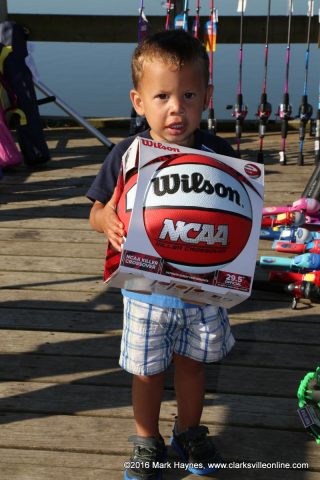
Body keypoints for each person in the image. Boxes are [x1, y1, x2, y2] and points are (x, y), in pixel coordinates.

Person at [87, 29, 236, 480]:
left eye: (189, 94)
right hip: (144, 293)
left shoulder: (221, 155)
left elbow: (239, 210)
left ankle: (188, 432)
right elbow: (95, 209)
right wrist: (107, 222)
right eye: (163, 96)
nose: (177, 107)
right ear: (138, 101)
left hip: (201, 293)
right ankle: (146, 440)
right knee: (147, 373)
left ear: (207, 96)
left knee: (193, 369)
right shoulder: (126, 153)